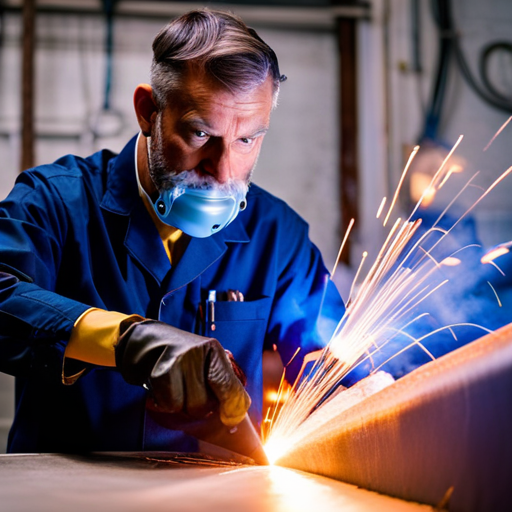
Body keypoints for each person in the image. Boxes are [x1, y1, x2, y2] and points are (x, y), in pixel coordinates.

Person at [0, 9, 344, 453]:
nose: (222, 171)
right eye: (201, 133)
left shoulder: (277, 236)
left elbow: (331, 364)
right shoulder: (55, 201)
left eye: (246, 140)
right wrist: (126, 341)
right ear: (149, 111)